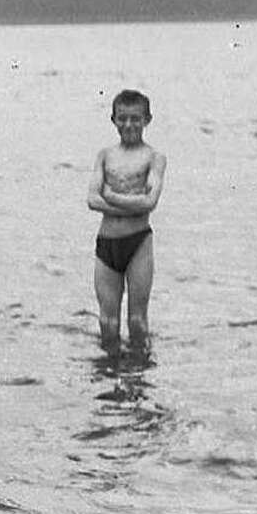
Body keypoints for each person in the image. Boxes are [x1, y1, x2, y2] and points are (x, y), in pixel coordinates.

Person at [87, 89, 167, 345]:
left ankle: (139, 366)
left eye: (135, 118)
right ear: (113, 119)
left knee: (137, 320)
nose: (129, 124)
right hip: (107, 243)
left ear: (147, 119)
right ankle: (110, 365)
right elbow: (92, 199)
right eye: (122, 118)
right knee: (107, 322)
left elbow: (150, 202)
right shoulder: (105, 155)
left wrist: (111, 196)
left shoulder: (154, 158)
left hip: (138, 243)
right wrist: (132, 206)